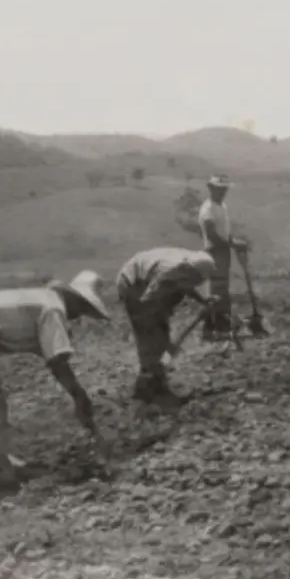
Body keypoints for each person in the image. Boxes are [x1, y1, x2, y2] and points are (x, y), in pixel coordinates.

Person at [0, 270, 111, 493]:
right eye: (83, 308)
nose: (79, 316)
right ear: (74, 300)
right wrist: (79, 395)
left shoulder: (44, 300)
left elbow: (51, 353)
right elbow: (57, 361)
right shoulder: (53, 309)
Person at [116, 248, 220, 410]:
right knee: (149, 334)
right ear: (191, 272)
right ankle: (147, 385)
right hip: (132, 283)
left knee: (160, 332)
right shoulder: (171, 271)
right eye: (198, 280)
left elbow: (185, 285)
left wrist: (204, 301)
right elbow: (147, 301)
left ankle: (157, 381)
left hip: (145, 280)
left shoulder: (186, 267)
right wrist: (155, 326)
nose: (198, 283)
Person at [198, 174, 249, 344]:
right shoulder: (208, 209)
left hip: (223, 251)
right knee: (218, 291)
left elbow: (224, 231)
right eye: (218, 189)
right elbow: (211, 234)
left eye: (224, 189)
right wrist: (231, 244)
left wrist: (232, 242)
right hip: (214, 252)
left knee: (219, 290)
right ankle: (217, 329)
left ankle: (212, 328)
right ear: (211, 189)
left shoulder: (221, 206)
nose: (222, 192)